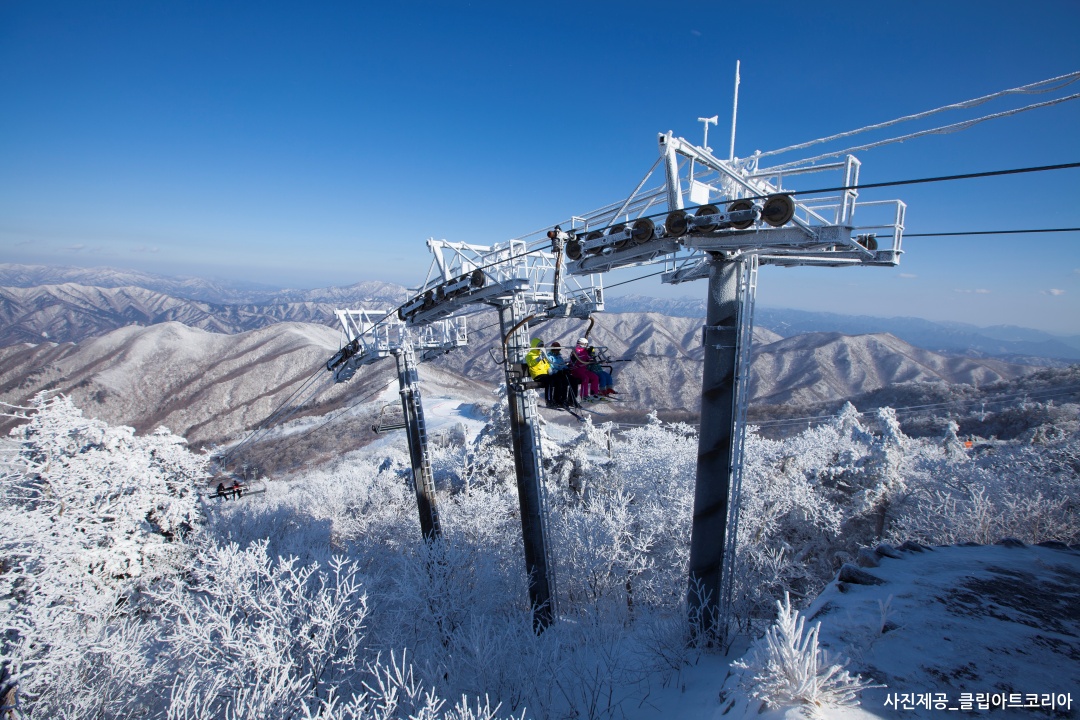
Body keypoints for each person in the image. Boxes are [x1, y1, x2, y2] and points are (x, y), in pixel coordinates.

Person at [546, 341, 577, 408]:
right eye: (556, 350)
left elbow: (563, 364)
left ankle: (571, 399)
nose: (557, 351)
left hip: (562, 373)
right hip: (555, 374)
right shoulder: (549, 356)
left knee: (574, 380)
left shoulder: (559, 356)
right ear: (552, 349)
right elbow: (550, 366)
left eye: (558, 350)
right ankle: (558, 399)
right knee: (561, 381)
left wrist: (566, 369)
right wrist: (558, 371)